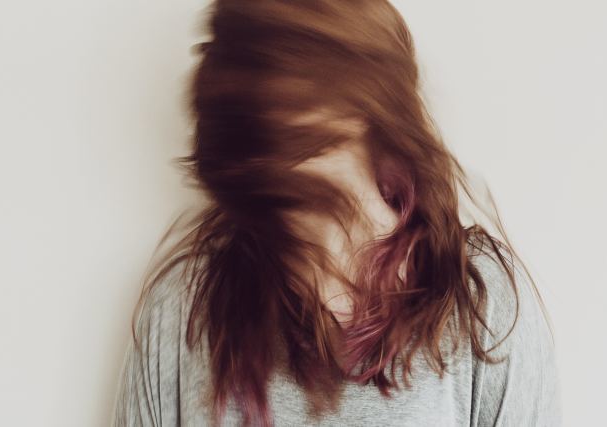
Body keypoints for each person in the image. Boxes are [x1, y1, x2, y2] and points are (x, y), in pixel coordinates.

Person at [113, 0, 559, 425]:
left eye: (277, 65)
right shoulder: (185, 307)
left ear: (360, 96)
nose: (244, 93)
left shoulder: (481, 302)